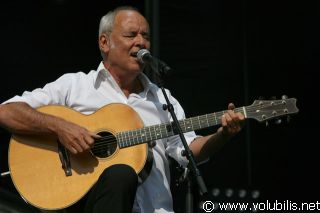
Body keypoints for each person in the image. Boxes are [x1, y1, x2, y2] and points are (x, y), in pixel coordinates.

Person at [0, 6, 245, 213]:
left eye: (145, 36)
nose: (141, 42)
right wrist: (61, 127)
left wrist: (222, 135)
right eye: (131, 35)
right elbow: (7, 111)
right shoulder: (75, 86)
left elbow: (188, 151)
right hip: (88, 205)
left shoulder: (162, 98)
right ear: (104, 42)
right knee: (121, 173)